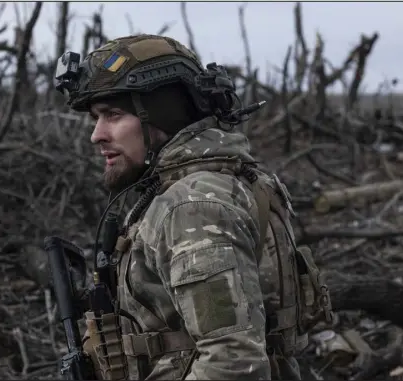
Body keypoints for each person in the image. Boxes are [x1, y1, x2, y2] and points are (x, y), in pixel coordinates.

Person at [55, 34, 332, 380]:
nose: (97, 134)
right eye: (97, 117)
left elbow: (233, 363)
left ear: (163, 116)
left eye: (113, 114)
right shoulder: (217, 183)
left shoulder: (193, 207)